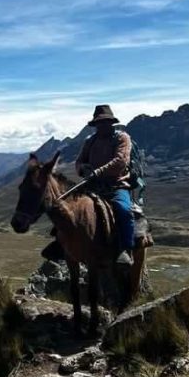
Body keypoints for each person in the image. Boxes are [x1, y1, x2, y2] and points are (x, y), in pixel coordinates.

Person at [76, 104, 136, 266]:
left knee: (123, 209)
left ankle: (126, 249)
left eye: (105, 122)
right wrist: (84, 168)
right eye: (99, 123)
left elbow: (121, 161)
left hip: (117, 185)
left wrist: (98, 171)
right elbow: (79, 161)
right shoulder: (90, 141)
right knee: (69, 207)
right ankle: (62, 245)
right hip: (93, 185)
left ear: (111, 123)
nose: (102, 126)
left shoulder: (122, 138)